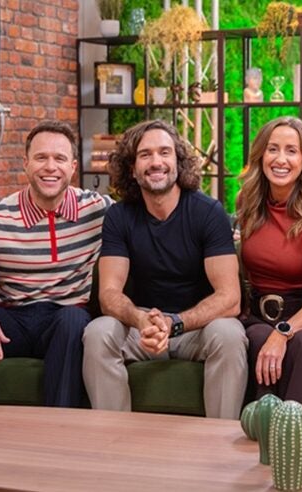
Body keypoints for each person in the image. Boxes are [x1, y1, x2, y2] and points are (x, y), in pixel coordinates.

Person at [0, 121, 111, 408]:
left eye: (60, 159)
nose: (50, 167)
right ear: (26, 164)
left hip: (64, 319)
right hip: (9, 321)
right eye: (41, 158)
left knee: (73, 322)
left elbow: (144, 220)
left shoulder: (99, 210)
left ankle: (60, 428)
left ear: (73, 167)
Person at [82, 119, 247, 419]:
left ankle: (220, 444)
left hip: (196, 328)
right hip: (141, 326)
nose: (156, 162)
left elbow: (230, 297)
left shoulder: (208, 211)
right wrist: (140, 319)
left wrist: (176, 323)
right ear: (132, 168)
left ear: (178, 161)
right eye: (145, 155)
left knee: (229, 333)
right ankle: (112, 439)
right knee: (98, 332)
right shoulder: (119, 216)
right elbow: (108, 293)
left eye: (164, 152)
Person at [237, 117, 302, 428]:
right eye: (273, 149)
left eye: (291, 151)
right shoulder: (247, 203)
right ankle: (260, 448)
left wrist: (283, 332)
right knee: (255, 338)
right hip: (258, 316)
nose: (281, 159)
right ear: (260, 156)